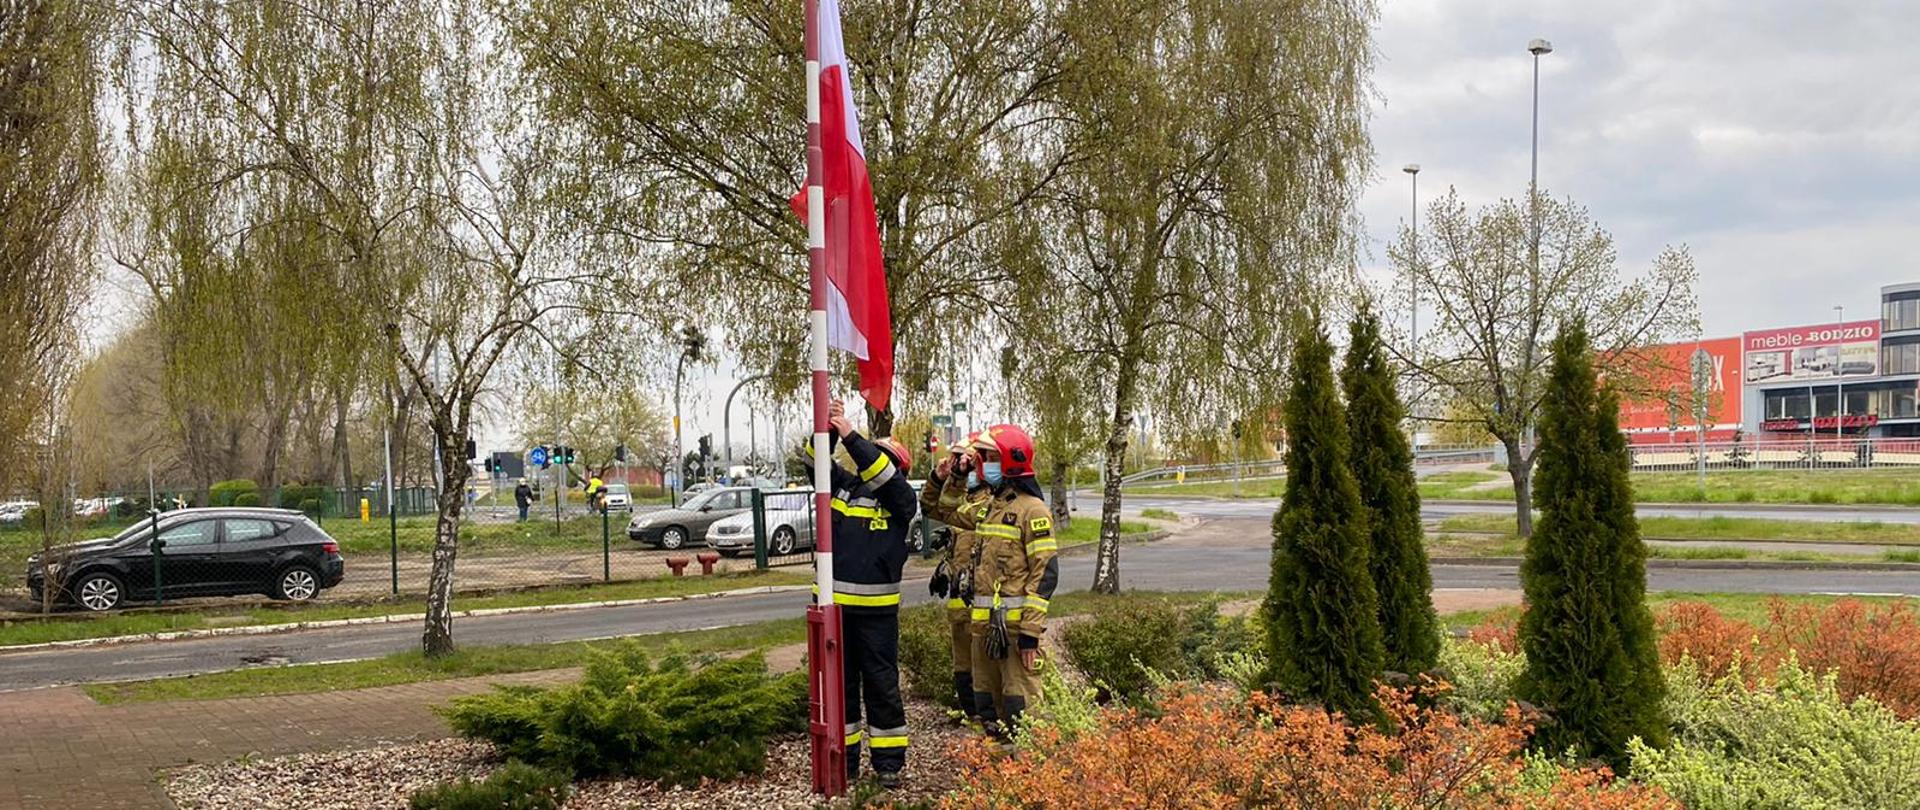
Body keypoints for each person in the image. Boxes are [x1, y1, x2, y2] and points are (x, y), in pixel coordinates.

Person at [810, 399, 918, 787]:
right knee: (841, 691)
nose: (864, 459)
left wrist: (852, 435)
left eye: (875, 455)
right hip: (836, 610)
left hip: (876, 615)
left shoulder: (901, 500)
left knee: (881, 687)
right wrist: (824, 427)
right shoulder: (845, 488)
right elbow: (813, 464)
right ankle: (847, 759)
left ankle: (888, 764)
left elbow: (883, 474)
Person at [941, 423, 1058, 738]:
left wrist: (1030, 633)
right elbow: (944, 510)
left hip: (1016, 634)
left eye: (989, 457)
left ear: (1009, 461)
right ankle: (998, 777)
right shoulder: (988, 509)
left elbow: (1045, 573)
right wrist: (957, 476)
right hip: (984, 632)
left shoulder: (1032, 511)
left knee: (1021, 709)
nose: (983, 464)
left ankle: (1029, 777)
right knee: (988, 709)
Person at [920, 432, 993, 724]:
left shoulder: (990, 502)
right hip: (959, 603)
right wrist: (938, 479)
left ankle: (989, 723)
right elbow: (930, 508)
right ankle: (974, 720)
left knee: (984, 667)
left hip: (982, 601)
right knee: (963, 667)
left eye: (964, 461)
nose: (960, 467)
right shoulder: (963, 496)